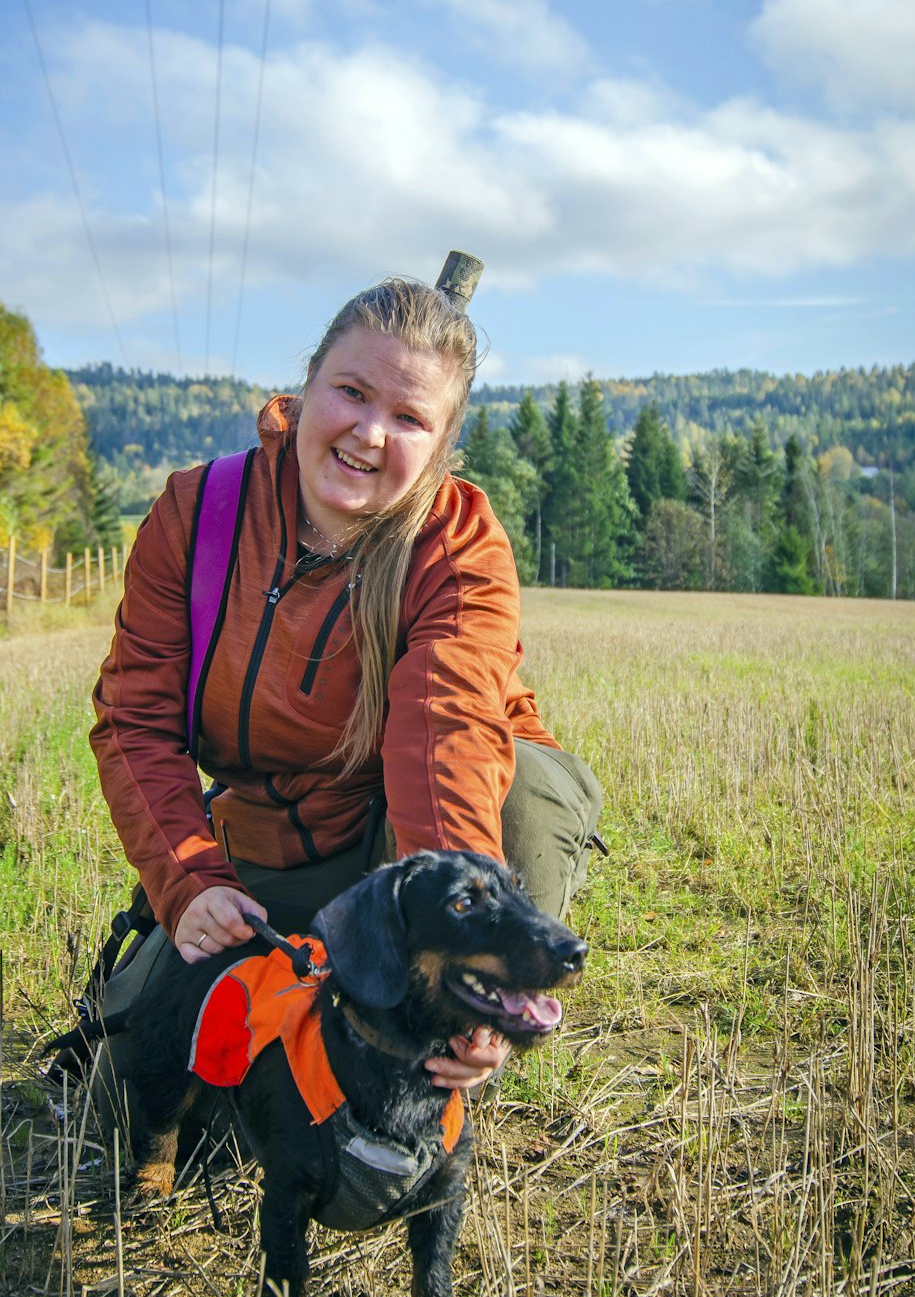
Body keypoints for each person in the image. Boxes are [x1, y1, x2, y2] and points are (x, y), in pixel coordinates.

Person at [90, 278, 603, 1094]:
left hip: (411, 832)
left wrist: (470, 971)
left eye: (409, 418)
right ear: (305, 387)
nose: (369, 433)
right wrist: (190, 883)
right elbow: (135, 723)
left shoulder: (458, 546)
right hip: (270, 837)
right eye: (352, 392)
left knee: (527, 789)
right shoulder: (196, 515)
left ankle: (442, 1022)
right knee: (145, 1088)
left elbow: (447, 731)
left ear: (442, 443)